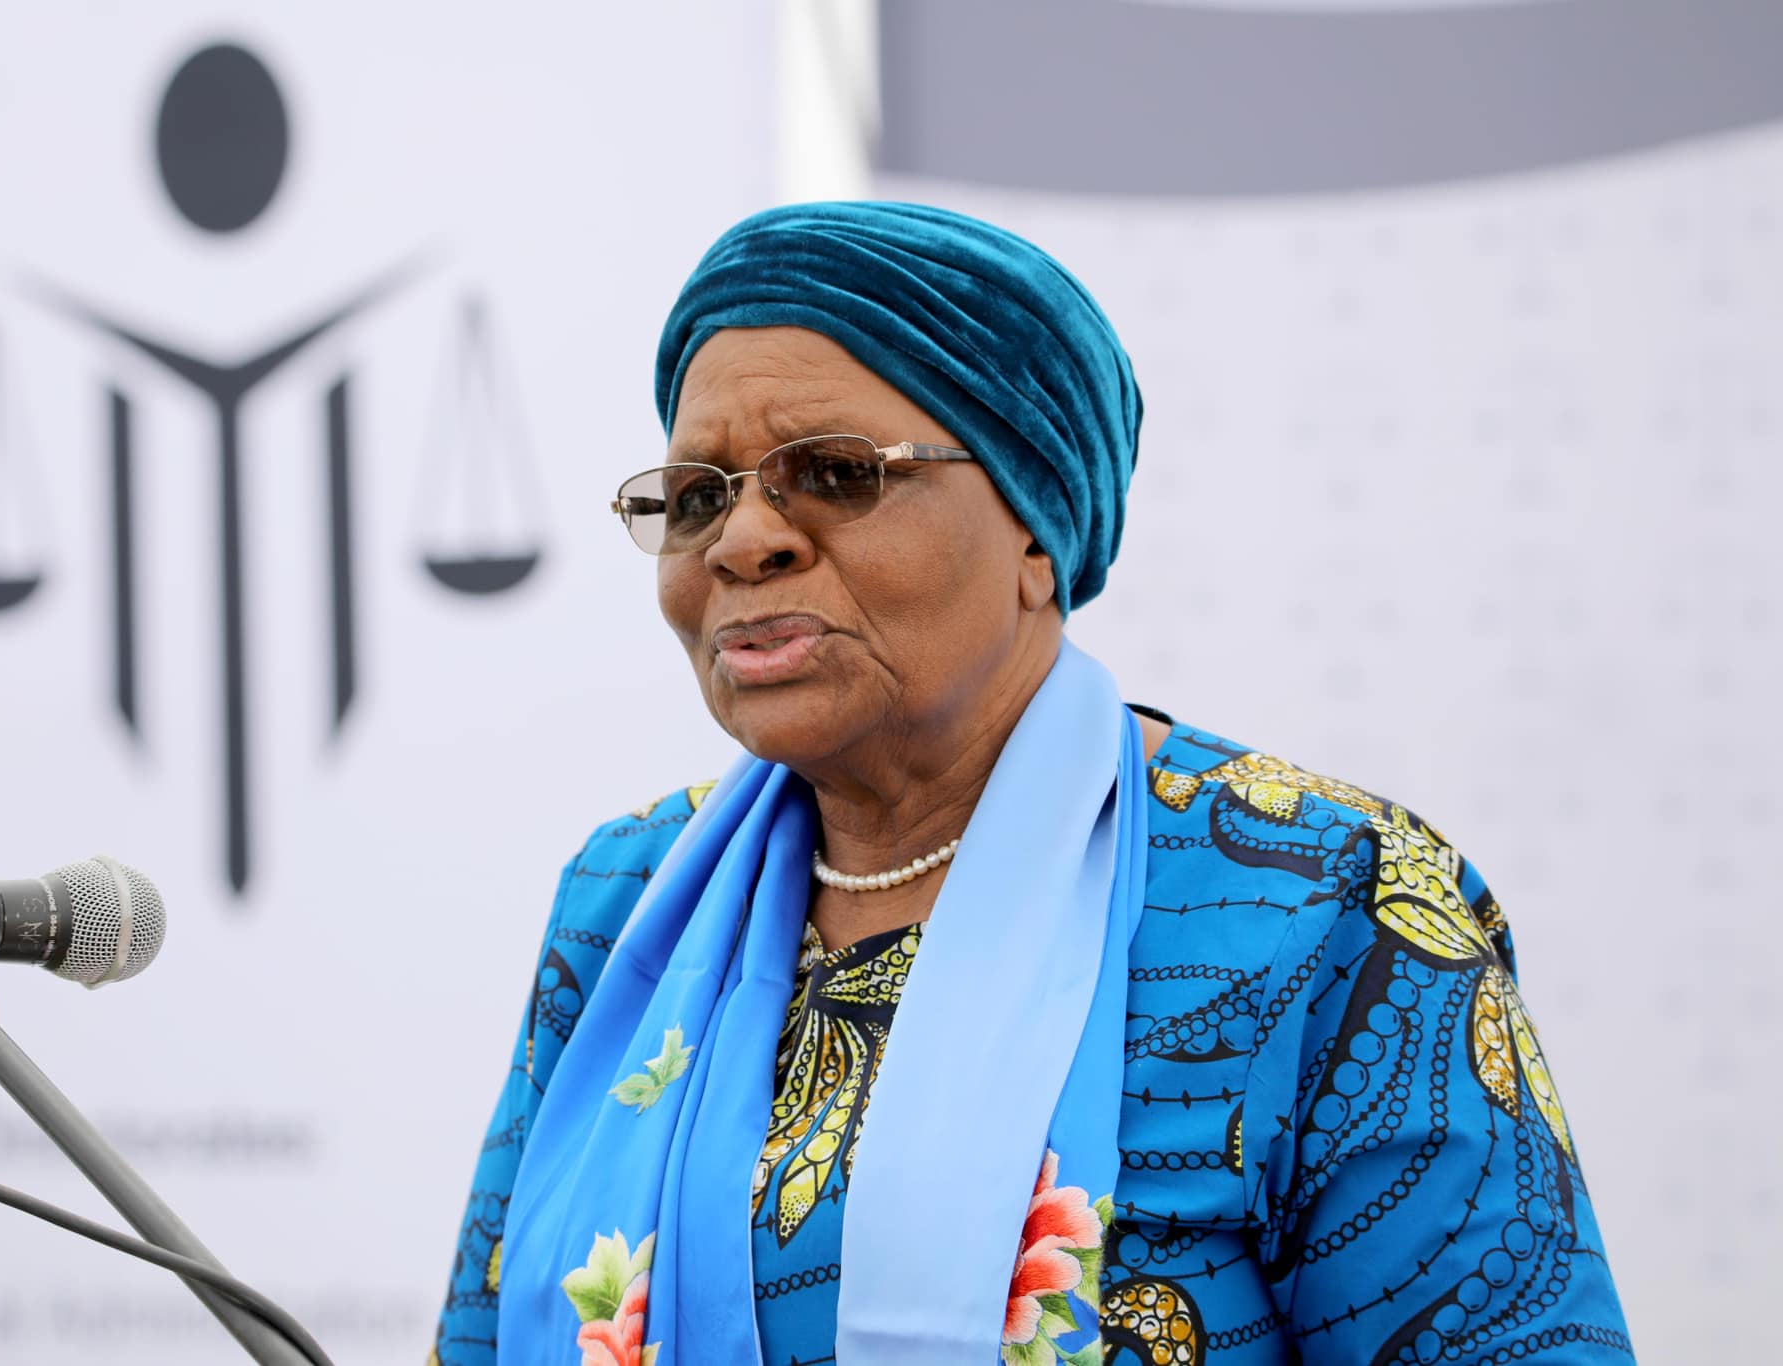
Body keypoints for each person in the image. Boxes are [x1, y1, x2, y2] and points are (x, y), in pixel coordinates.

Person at [428, 202, 1630, 1365]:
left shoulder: (1321, 901)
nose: (742, 541)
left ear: (1033, 531)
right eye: (697, 496)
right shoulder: (624, 897)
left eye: (834, 472)